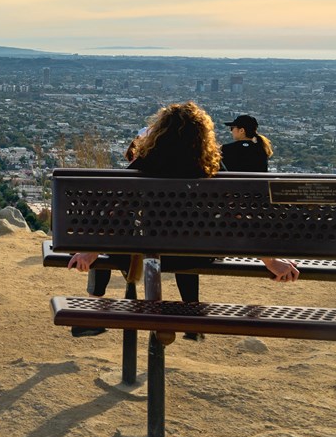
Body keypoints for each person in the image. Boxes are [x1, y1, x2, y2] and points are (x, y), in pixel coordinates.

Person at [68, 102, 299, 339]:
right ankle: (191, 318)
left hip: (149, 253)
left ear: (160, 131)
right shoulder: (211, 165)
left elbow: (116, 209)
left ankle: (96, 307)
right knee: (191, 234)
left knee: (127, 233)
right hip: (195, 253)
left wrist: (91, 251)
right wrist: (270, 261)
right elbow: (236, 216)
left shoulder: (147, 161)